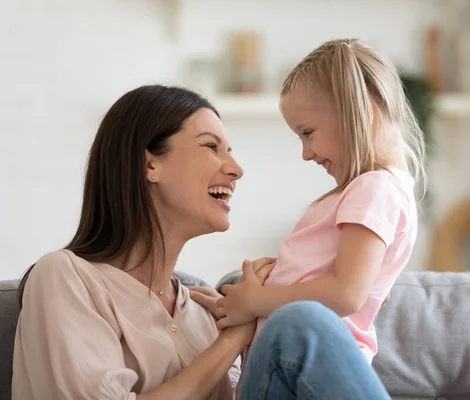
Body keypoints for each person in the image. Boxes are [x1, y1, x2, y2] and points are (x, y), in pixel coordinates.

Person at [13, 84, 392, 399]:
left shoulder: (204, 315)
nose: (236, 169)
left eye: (231, 151)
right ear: (150, 165)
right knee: (301, 322)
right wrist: (233, 341)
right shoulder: (66, 277)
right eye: (212, 147)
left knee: (303, 323)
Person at [214, 38, 424, 363]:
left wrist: (258, 299)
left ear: (362, 114)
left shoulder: (375, 188)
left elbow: (346, 294)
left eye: (308, 133)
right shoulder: (372, 189)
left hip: (315, 360)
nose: (306, 153)